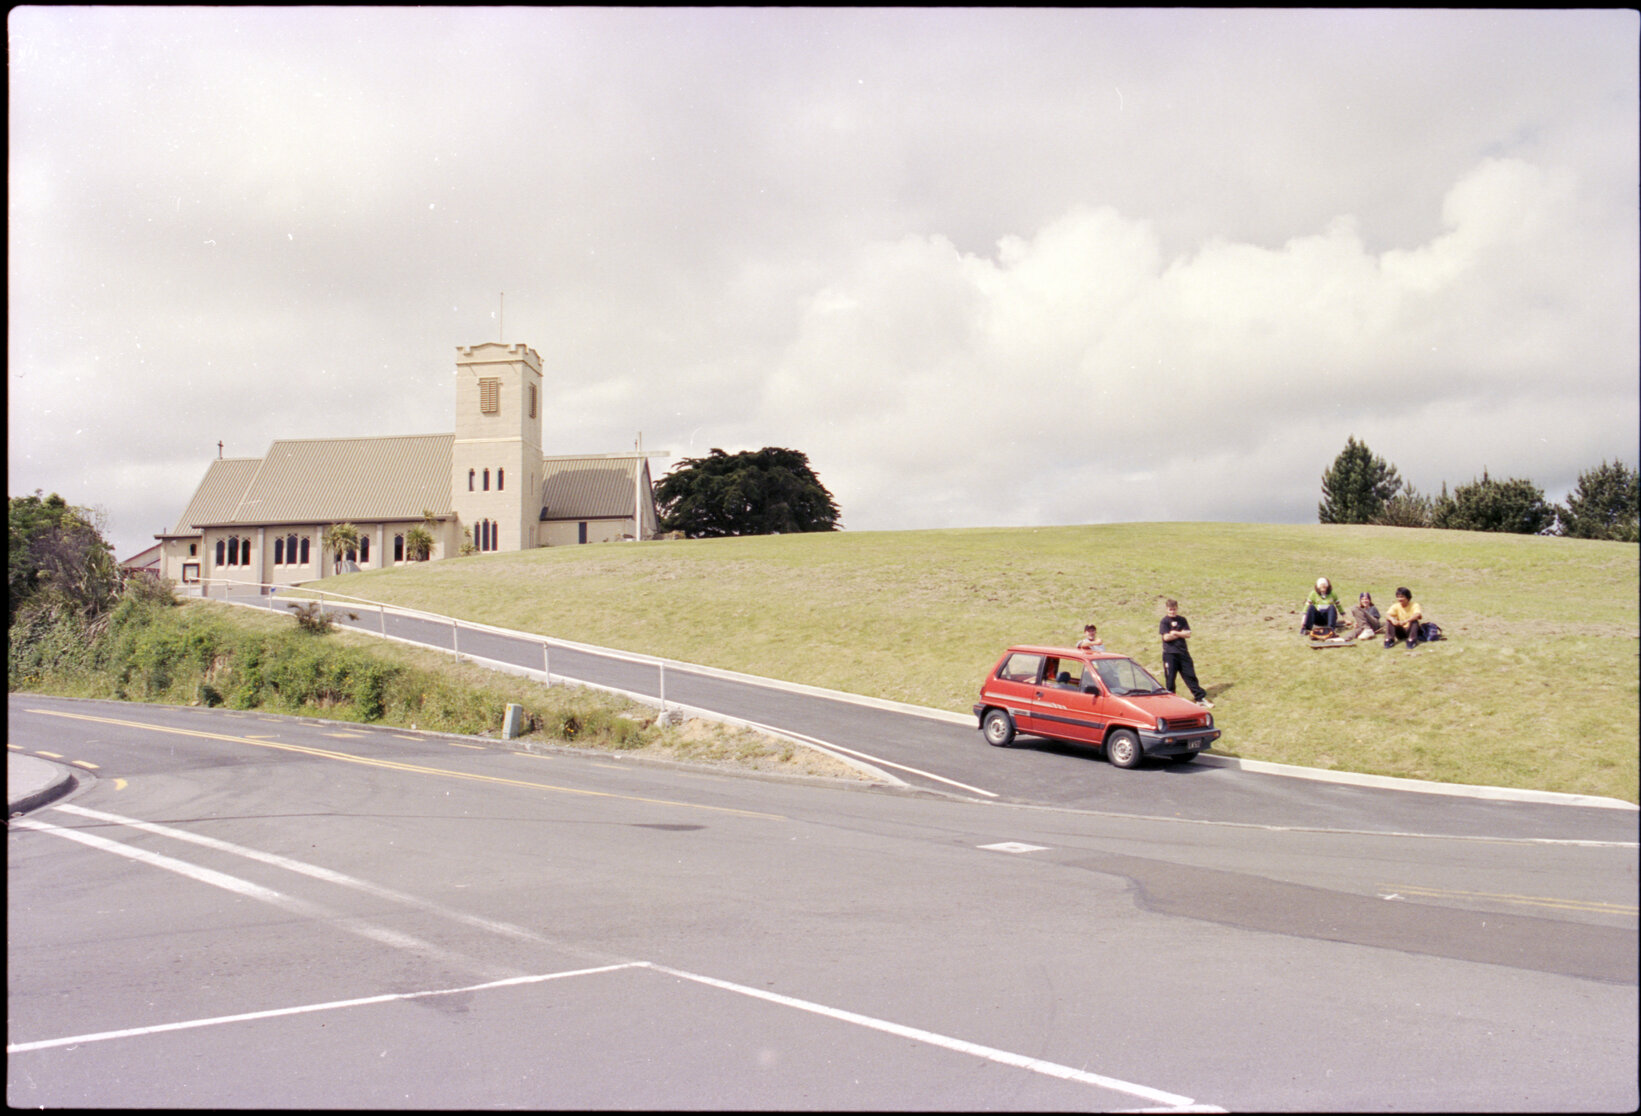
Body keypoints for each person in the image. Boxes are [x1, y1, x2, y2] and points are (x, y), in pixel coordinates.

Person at [1158, 599, 1212, 707]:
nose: (1172, 612)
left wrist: (1175, 632)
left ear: (1177, 608)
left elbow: (1188, 634)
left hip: (1183, 653)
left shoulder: (1182, 620)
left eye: (1174, 609)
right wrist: (1180, 633)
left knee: (1190, 675)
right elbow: (1166, 637)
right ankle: (1170, 701)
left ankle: (1200, 698)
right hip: (1170, 654)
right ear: (1166, 609)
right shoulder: (1164, 621)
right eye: (1170, 609)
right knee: (1170, 679)